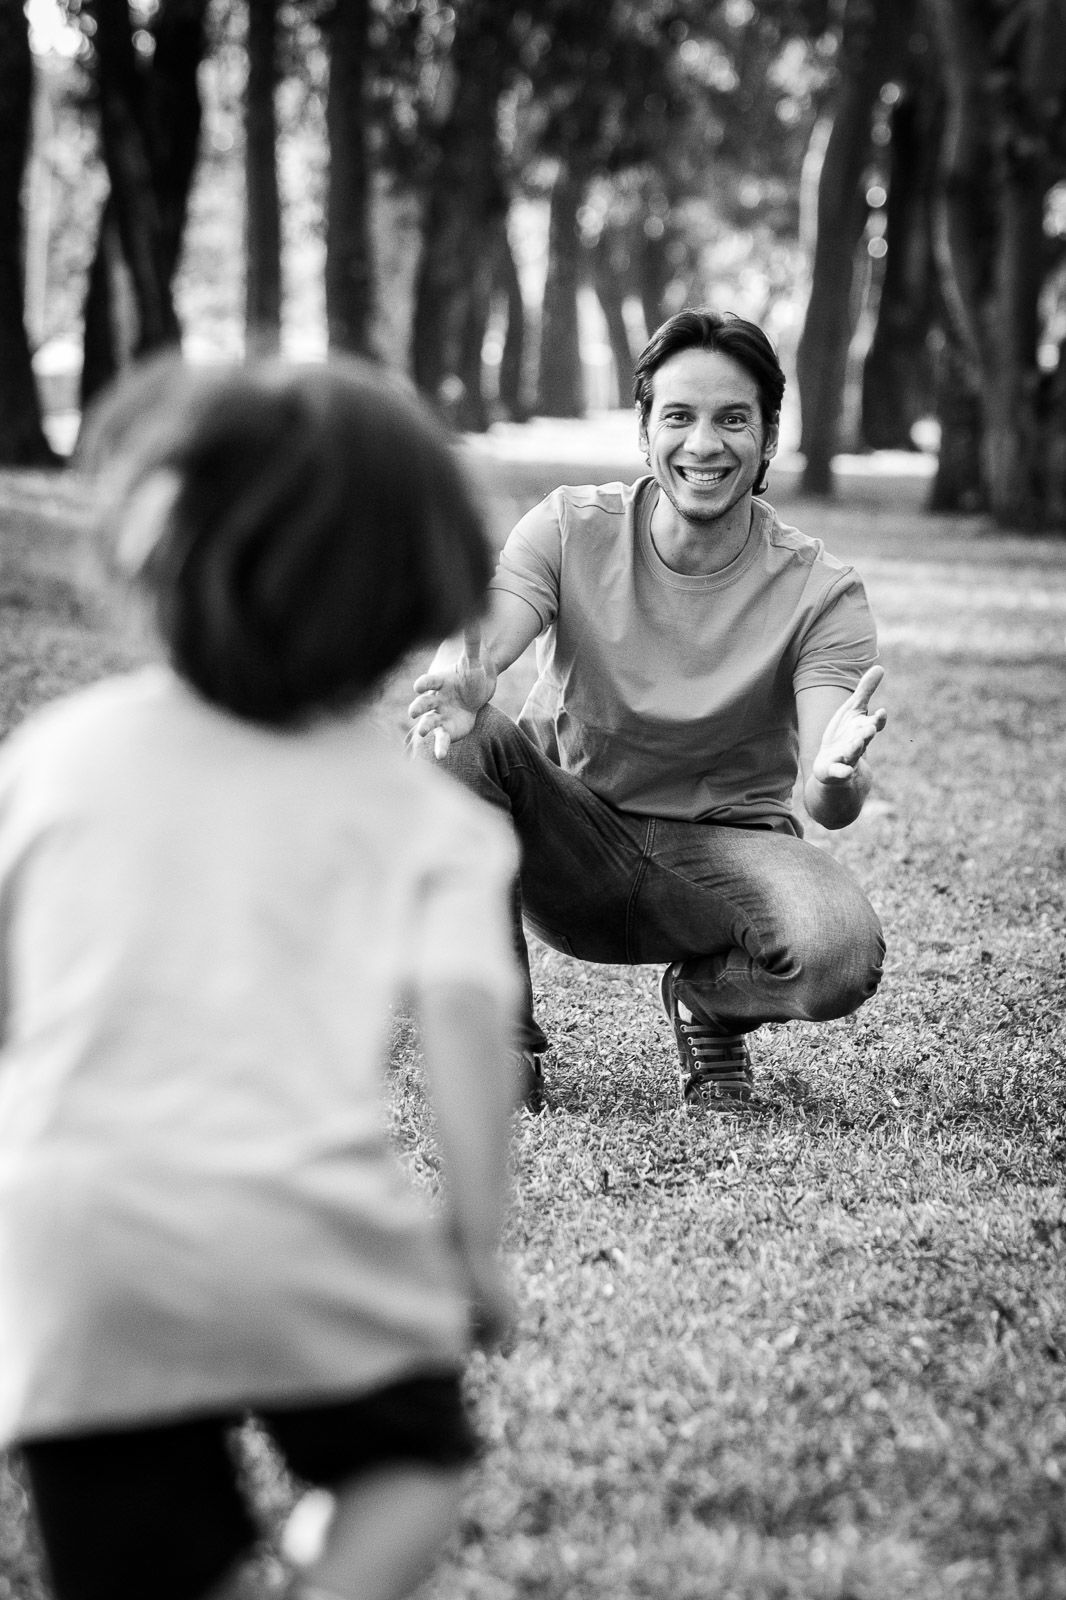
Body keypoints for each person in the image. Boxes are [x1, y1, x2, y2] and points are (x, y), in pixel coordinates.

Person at [0, 354, 522, 1600]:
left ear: (158, 555)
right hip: (297, 1226)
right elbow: (464, 1025)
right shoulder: (425, 818)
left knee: (138, 1565)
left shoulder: (56, 759)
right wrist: (474, 1248)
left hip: (75, 1246)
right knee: (410, 1465)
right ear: (413, 590)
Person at [409, 307, 887, 1113]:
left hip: (720, 863)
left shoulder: (821, 594)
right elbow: (485, 641)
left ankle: (708, 999)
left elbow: (823, 797)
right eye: (679, 417)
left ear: (767, 438)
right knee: (455, 739)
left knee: (837, 953)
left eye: (732, 420)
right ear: (644, 431)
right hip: (573, 843)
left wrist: (840, 777)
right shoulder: (568, 528)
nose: (704, 445)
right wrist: (463, 675)